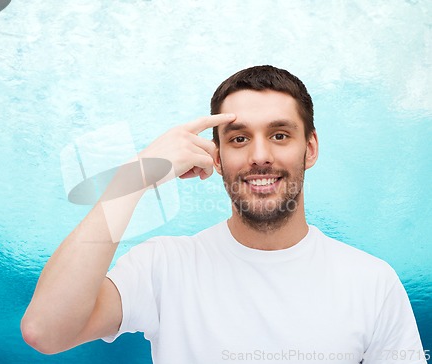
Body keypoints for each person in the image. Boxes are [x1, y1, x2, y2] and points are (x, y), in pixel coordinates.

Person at [21, 65, 427, 363]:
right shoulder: (164, 267)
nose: (260, 156)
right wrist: (136, 175)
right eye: (239, 138)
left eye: (280, 135)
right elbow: (46, 330)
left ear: (311, 148)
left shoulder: (372, 282)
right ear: (216, 156)